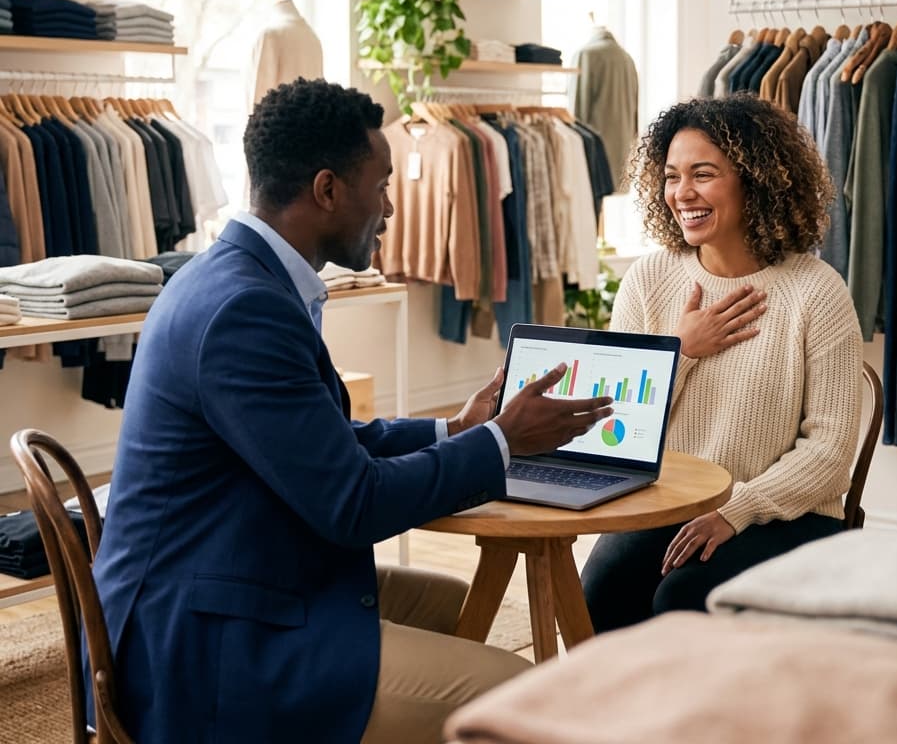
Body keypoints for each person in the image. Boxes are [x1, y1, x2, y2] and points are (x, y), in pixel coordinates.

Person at [90, 77, 613, 744]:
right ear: (328, 190)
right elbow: (354, 504)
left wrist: (458, 428)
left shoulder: (240, 278)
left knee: (461, 606)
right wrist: (503, 443)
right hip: (204, 643)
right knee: (522, 693)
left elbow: (324, 441)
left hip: (239, 576)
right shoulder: (244, 310)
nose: (390, 207)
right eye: (382, 185)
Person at [581, 94, 862, 630]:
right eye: (671, 176)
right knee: (598, 594)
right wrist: (679, 351)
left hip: (783, 512)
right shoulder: (649, 280)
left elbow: (830, 451)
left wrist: (737, 511)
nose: (682, 193)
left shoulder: (816, 292)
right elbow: (616, 422)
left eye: (703, 174)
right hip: (668, 504)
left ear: (755, 181)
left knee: (683, 597)